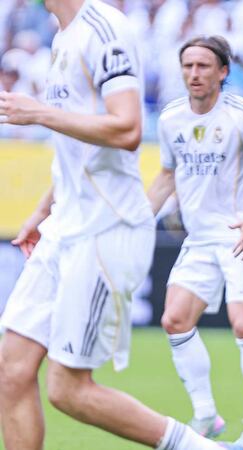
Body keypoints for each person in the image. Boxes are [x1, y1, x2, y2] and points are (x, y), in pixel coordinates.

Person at [0, 1, 230, 449]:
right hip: (65, 225)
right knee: (11, 366)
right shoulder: (62, 34)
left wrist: (38, 113)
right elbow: (79, 145)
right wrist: (44, 209)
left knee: (68, 389)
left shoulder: (103, 28)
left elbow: (126, 128)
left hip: (105, 229)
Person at [147, 35, 243, 450]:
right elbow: (166, 176)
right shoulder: (170, 118)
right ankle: (207, 415)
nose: (194, 74)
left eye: (204, 66)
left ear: (223, 72)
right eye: (188, 66)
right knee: (174, 320)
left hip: (241, 233)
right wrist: (137, 220)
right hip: (200, 239)